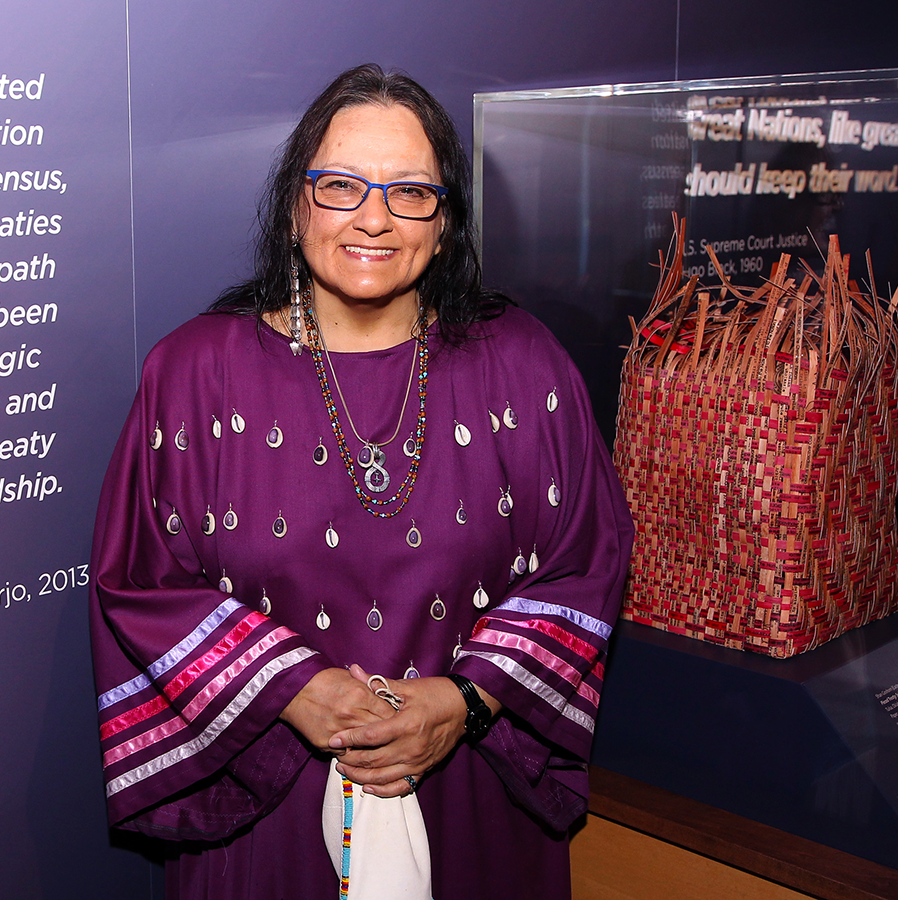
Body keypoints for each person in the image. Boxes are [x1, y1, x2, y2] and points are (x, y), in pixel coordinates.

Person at [88, 64, 634, 900]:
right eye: (341, 186)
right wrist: (291, 688)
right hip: (263, 804)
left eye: (410, 192)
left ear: (445, 221)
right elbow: (138, 581)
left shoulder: (524, 366)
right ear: (295, 204)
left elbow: (587, 560)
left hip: (474, 797)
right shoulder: (194, 374)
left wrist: (466, 700)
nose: (373, 218)